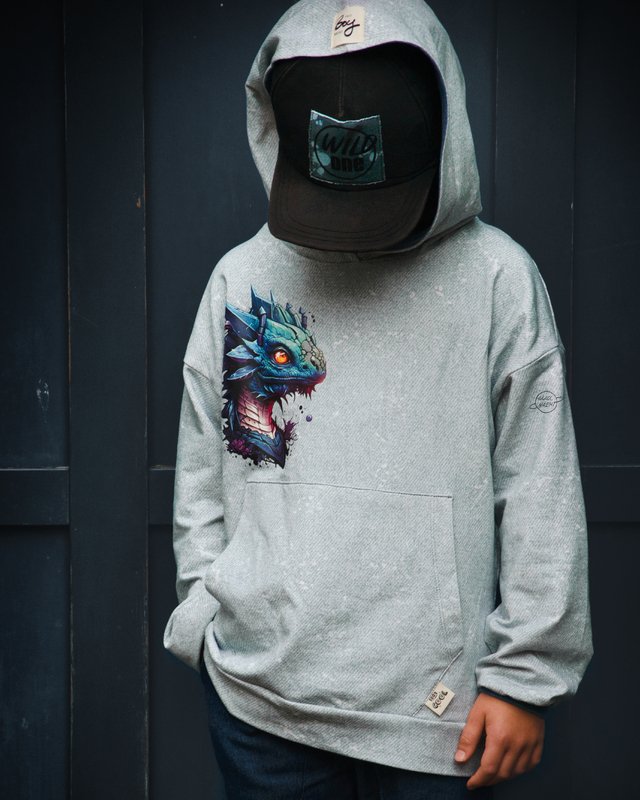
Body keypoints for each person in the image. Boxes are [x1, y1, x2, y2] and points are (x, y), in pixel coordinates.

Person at [163, 1, 594, 797]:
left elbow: (540, 485)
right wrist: (204, 614)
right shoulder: (242, 280)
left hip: (444, 718)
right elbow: (207, 468)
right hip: (260, 707)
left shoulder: (498, 280)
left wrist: (526, 677)